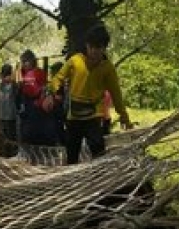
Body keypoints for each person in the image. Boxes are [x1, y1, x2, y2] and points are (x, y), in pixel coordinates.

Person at [48, 25, 133, 164]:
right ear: (87, 45)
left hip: (93, 116)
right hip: (73, 117)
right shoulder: (75, 61)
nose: (94, 51)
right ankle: (72, 182)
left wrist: (124, 117)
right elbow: (58, 78)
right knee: (71, 153)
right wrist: (49, 93)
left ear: (104, 48)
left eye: (99, 48)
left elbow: (116, 94)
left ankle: (99, 181)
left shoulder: (107, 68)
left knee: (98, 149)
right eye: (92, 47)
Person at [15, 50, 56, 147]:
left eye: (26, 61)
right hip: (28, 110)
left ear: (32, 61)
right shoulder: (21, 75)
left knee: (39, 136)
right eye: (23, 61)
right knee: (29, 137)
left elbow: (41, 89)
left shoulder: (38, 73)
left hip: (39, 110)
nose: (24, 64)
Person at [0, 63, 17, 142]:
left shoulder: (13, 85)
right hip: (2, 116)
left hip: (10, 117)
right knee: (4, 138)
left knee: (11, 139)